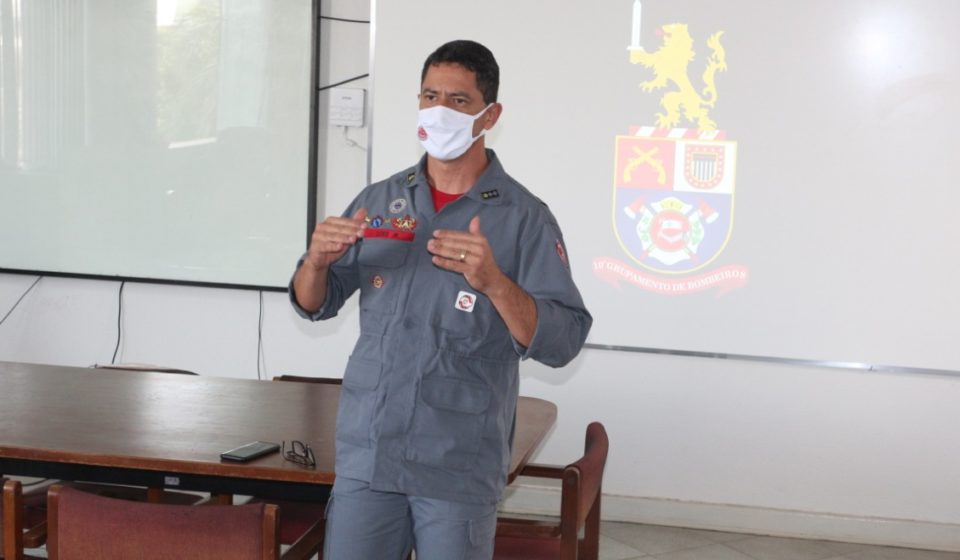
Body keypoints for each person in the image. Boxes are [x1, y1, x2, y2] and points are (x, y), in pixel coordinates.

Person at [290, 39, 592, 560]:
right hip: (371, 450)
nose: (439, 112)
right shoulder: (382, 200)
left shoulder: (523, 217)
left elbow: (563, 339)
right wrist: (315, 264)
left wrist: (495, 281)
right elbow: (315, 303)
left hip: (457, 459)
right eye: (430, 97)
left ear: (489, 114)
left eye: (457, 101)